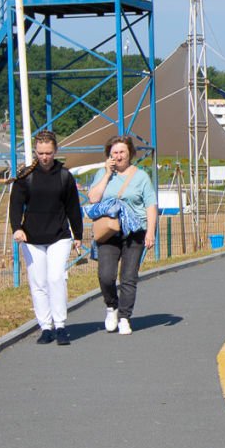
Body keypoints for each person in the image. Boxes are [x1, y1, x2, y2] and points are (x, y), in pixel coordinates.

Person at [10, 130, 83, 345]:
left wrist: (78, 235)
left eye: (48, 153)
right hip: (31, 238)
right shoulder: (25, 176)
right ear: (35, 151)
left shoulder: (64, 176)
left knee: (56, 278)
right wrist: (17, 228)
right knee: (38, 282)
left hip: (59, 236)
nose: (44, 157)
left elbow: (73, 207)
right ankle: (45, 327)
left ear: (55, 151)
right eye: (40, 153)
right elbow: (15, 205)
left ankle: (60, 325)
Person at [85, 134, 157, 335]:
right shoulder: (102, 173)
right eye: (114, 152)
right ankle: (112, 306)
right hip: (109, 230)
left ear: (130, 153)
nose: (118, 156)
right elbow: (93, 198)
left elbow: (151, 205)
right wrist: (107, 175)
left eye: (122, 152)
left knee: (129, 276)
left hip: (135, 231)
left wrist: (150, 232)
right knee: (106, 275)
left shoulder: (141, 176)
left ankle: (125, 317)